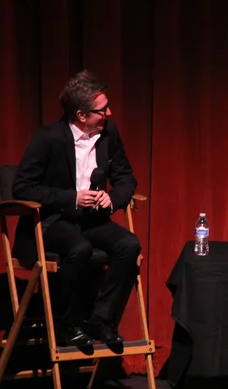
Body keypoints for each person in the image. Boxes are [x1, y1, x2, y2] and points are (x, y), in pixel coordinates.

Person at [12, 70, 141, 347]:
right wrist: (72, 198)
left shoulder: (109, 134)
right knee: (78, 248)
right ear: (81, 115)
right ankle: (66, 323)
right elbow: (22, 188)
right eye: (102, 110)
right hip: (51, 220)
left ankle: (100, 320)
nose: (109, 113)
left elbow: (126, 177)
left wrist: (113, 198)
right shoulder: (48, 138)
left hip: (91, 219)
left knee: (129, 245)